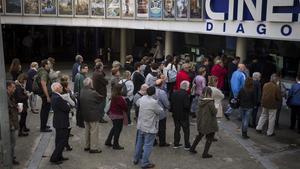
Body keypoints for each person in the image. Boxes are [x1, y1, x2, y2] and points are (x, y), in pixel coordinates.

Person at [133, 86, 163, 168]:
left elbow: (137, 103)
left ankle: (136, 158)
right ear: (154, 93)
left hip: (141, 125)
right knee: (148, 145)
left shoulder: (142, 98)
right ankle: (145, 162)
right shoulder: (154, 102)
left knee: (139, 143)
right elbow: (160, 111)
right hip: (150, 127)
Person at [189, 87, 218, 158]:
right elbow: (214, 112)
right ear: (210, 93)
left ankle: (192, 148)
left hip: (201, 121)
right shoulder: (210, 102)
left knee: (200, 135)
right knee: (210, 137)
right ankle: (205, 153)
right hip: (209, 123)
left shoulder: (200, 100)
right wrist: (216, 107)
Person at [80, 78, 104, 153]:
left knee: (87, 130)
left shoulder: (82, 91)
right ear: (90, 84)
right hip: (93, 114)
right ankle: (93, 148)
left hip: (85, 114)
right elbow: (101, 98)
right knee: (94, 131)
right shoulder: (93, 92)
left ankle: (87, 146)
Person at [49, 82, 71, 164]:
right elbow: (67, 108)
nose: (62, 87)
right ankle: (54, 158)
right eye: (60, 86)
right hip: (61, 122)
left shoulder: (55, 96)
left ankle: (59, 156)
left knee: (58, 140)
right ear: (56, 88)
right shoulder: (58, 98)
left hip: (58, 121)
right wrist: (67, 104)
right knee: (62, 140)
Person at [105, 84, 128, 150]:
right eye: (122, 88)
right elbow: (125, 107)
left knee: (114, 127)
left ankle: (108, 141)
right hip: (118, 115)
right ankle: (115, 144)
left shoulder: (113, 96)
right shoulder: (120, 98)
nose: (123, 89)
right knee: (118, 130)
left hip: (112, 114)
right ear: (120, 90)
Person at [171, 81, 191, 149]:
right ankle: (187, 145)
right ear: (186, 87)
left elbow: (171, 104)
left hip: (175, 115)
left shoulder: (174, 93)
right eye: (188, 87)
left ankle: (176, 143)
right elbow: (186, 106)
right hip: (183, 115)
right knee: (186, 131)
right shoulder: (185, 94)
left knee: (177, 129)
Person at [60, 75, 76, 151]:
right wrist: (71, 94)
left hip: (66, 113)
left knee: (66, 130)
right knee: (67, 129)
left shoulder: (61, 93)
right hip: (68, 113)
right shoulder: (66, 93)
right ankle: (66, 145)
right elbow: (73, 102)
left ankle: (65, 144)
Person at [7, 81, 20, 165]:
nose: (15, 89)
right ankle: (9, 159)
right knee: (11, 143)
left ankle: (10, 156)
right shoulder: (6, 98)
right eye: (13, 87)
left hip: (13, 123)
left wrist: (17, 108)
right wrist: (11, 125)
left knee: (12, 142)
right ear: (8, 87)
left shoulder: (10, 96)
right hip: (10, 125)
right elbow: (7, 113)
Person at [37, 59, 52, 132]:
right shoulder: (44, 73)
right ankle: (43, 127)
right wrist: (47, 96)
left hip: (42, 94)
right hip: (45, 95)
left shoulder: (40, 70)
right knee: (45, 111)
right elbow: (43, 84)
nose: (50, 65)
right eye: (49, 64)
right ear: (45, 65)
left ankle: (44, 125)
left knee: (44, 110)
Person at [154, 79, 170, 147]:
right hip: (161, 113)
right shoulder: (162, 92)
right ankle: (162, 142)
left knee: (154, 127)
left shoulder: (152, 90)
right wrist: (168, 107)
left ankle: (154, 141)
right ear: (161, 85)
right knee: (162, 128)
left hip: (153, 112)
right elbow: (166, 103)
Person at [74, 64, 89, 128]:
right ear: (82, 69)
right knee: (81, 110)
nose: (87, 69)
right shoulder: (81, 76)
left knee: (79, 110)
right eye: (85, 68)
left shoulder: (78, 75)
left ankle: (78, 122)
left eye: (87, 68)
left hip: (78, 95)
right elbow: (82, 88)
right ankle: (81, 123)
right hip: (81, 96)